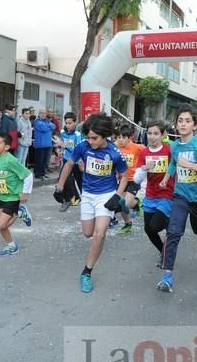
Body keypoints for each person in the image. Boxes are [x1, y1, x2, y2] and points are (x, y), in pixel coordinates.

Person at [53, 112, 128, 293]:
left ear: (105, 136)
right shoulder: (83, 146)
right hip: (87, 195)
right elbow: (69, 164)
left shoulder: (114, 153)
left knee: (99, 233)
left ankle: (86, 272)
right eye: (88, 137)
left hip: (106, 195)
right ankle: (121, 208)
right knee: (88, 233)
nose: (91, 141)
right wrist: (59, 187)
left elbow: (124, 176)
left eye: (95, 138)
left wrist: (117, 196)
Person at [157, 104, 197, 292]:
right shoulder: (175, 146)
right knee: (173, 231)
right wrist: (167, 178)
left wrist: (192, 165)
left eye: (187, 121)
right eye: (180, 121)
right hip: (181, 196)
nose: (183, 124)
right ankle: (167, 275)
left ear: (195, 125)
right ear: (176, 124)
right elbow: (174, 163)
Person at [0, 133, 33, 257]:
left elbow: (28, 175)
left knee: (1, 225)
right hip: (1, 197)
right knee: (2, 226)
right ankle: (11, 246)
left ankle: (20, 212)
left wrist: (25, 193)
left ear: (7, 147)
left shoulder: (11, 160)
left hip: (12, 197)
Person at [134, 121, 174, 265]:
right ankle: (164, 251)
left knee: (155, 226)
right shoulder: (144, 152)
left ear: (163, 135)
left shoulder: (169, 150)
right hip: (150, 195)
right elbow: (137, 179)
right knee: (148, 230)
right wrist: (144, 168)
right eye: (149, 133)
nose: (152, 137)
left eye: (156, 133)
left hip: (166, 194)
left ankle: (171, 222)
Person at [114, 124, 145, 234]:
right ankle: (128, 224)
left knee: (126, 203)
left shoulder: (137, 147)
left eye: (123, 137)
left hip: (133, 180)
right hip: (122, 180)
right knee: (121, 203)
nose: (121, 140)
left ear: (129, 137)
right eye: (119, 137)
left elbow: (149, 151)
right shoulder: (116, 148)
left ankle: (136, 203)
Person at [58, 112, 83, 212]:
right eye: (66, 123)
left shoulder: (78, 135)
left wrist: (65, 146)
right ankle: (68, 199)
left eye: (70, 123)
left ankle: (86, 199)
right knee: (63, 179)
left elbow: (77, 151)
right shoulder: (62, 132)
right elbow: (60, 143)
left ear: (75, 123)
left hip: (76, 162)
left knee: (81, 182)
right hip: (66, 160)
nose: (68, 125)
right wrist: (59, 150)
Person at [33, 108, 54, 180]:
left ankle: (43, 173)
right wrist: (49, 127)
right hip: (40, 144)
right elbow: (44, 128)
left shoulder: (47, 121)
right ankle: (37, 174)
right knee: (39, 160)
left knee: (45, 161)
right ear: (39, 114)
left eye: (44, 113)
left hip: (48, 144)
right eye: (41, 113)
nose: (43, 114)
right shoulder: (37, 121)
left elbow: (54, 126)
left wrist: (48, 126)